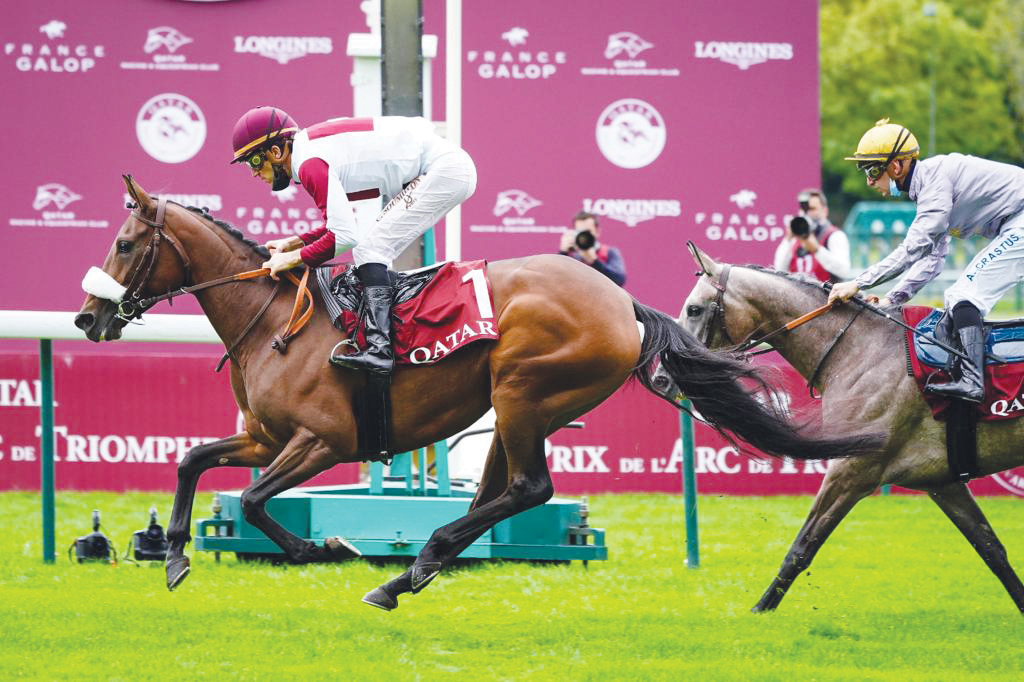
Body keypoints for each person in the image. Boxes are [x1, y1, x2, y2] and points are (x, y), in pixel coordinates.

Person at [230, 106, 477, 375]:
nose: (253, 172)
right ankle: (385, 339)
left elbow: (344, 237)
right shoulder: (309, 154)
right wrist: (296, 242)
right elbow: (341, 227)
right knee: (370, 247)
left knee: (371, 249)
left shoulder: (309, 163)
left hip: (442, 170)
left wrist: (291, 260)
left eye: (254, 161)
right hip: (439, 168)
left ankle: (380, 349)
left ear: (276, 152)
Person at [828, 118, 1024, 403]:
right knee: (953, 305)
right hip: (1014, 223)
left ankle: (973, 382)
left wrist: (858, 283)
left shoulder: (935, 181)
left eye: (873, 170)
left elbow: (913, 248)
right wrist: (891, 299)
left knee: (963, 296)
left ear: (896, 167)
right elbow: (933, 260)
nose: (869, 181)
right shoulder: (930, 190)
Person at [772, 189, 851, 283]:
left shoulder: (834, 235)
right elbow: (779, 270)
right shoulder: (796, 238)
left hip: (826, 295)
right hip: (797, 294)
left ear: (825, 211)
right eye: (803, 209)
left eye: (812, 209)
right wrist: (787, 239)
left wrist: (817, 250)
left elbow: (844, 271)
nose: (807, 214)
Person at [558, 212, 626, 286]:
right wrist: (563, 252)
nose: (584, 236)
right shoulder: (569, 255)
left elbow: (620, 280)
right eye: (580, 232)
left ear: (597, 231)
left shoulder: (609, 252)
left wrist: (594, 261)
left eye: (587, 232)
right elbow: (553, 278)